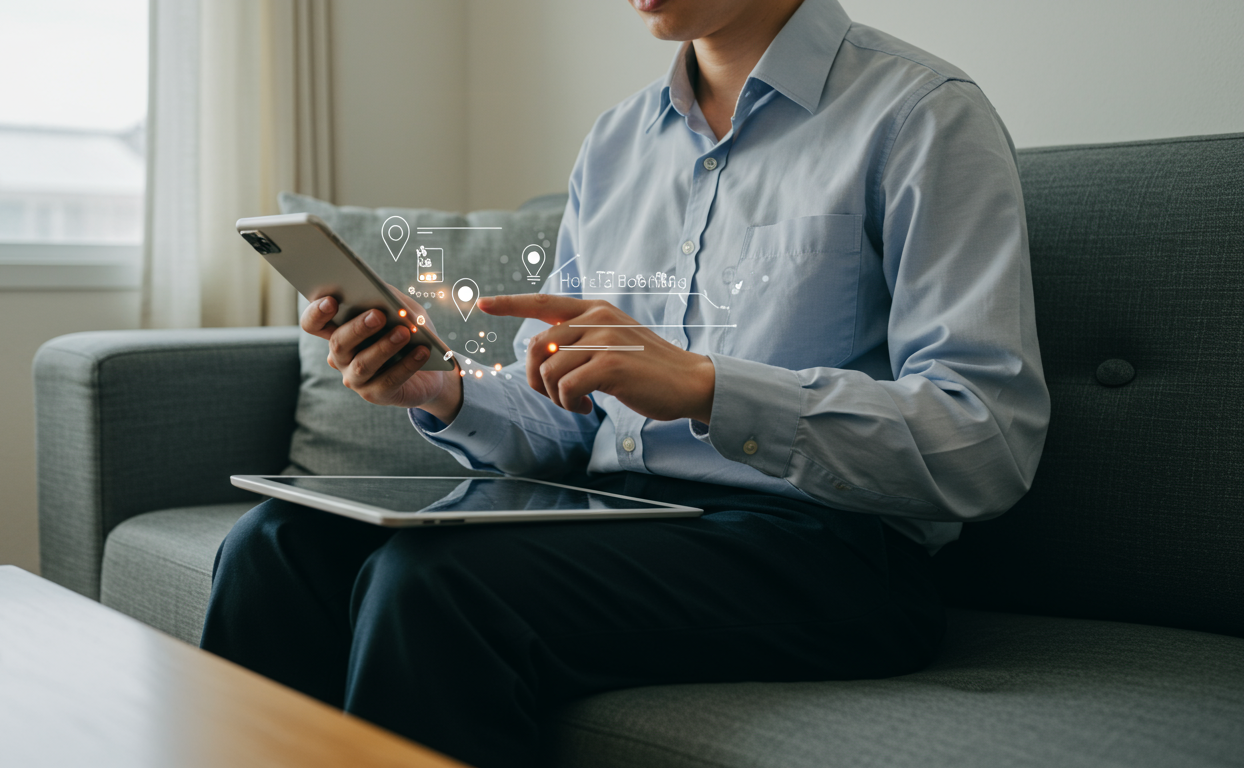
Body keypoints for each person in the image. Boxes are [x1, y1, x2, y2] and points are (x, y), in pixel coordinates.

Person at [199, 0, 1050, 765]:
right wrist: (439, 390)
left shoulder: (921, 114)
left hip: (833, 549)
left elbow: (985, 437)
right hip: (626, 514)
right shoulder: (617, 143)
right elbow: (563, 421)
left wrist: (709, 387)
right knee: (276, 546)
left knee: (434, 586)